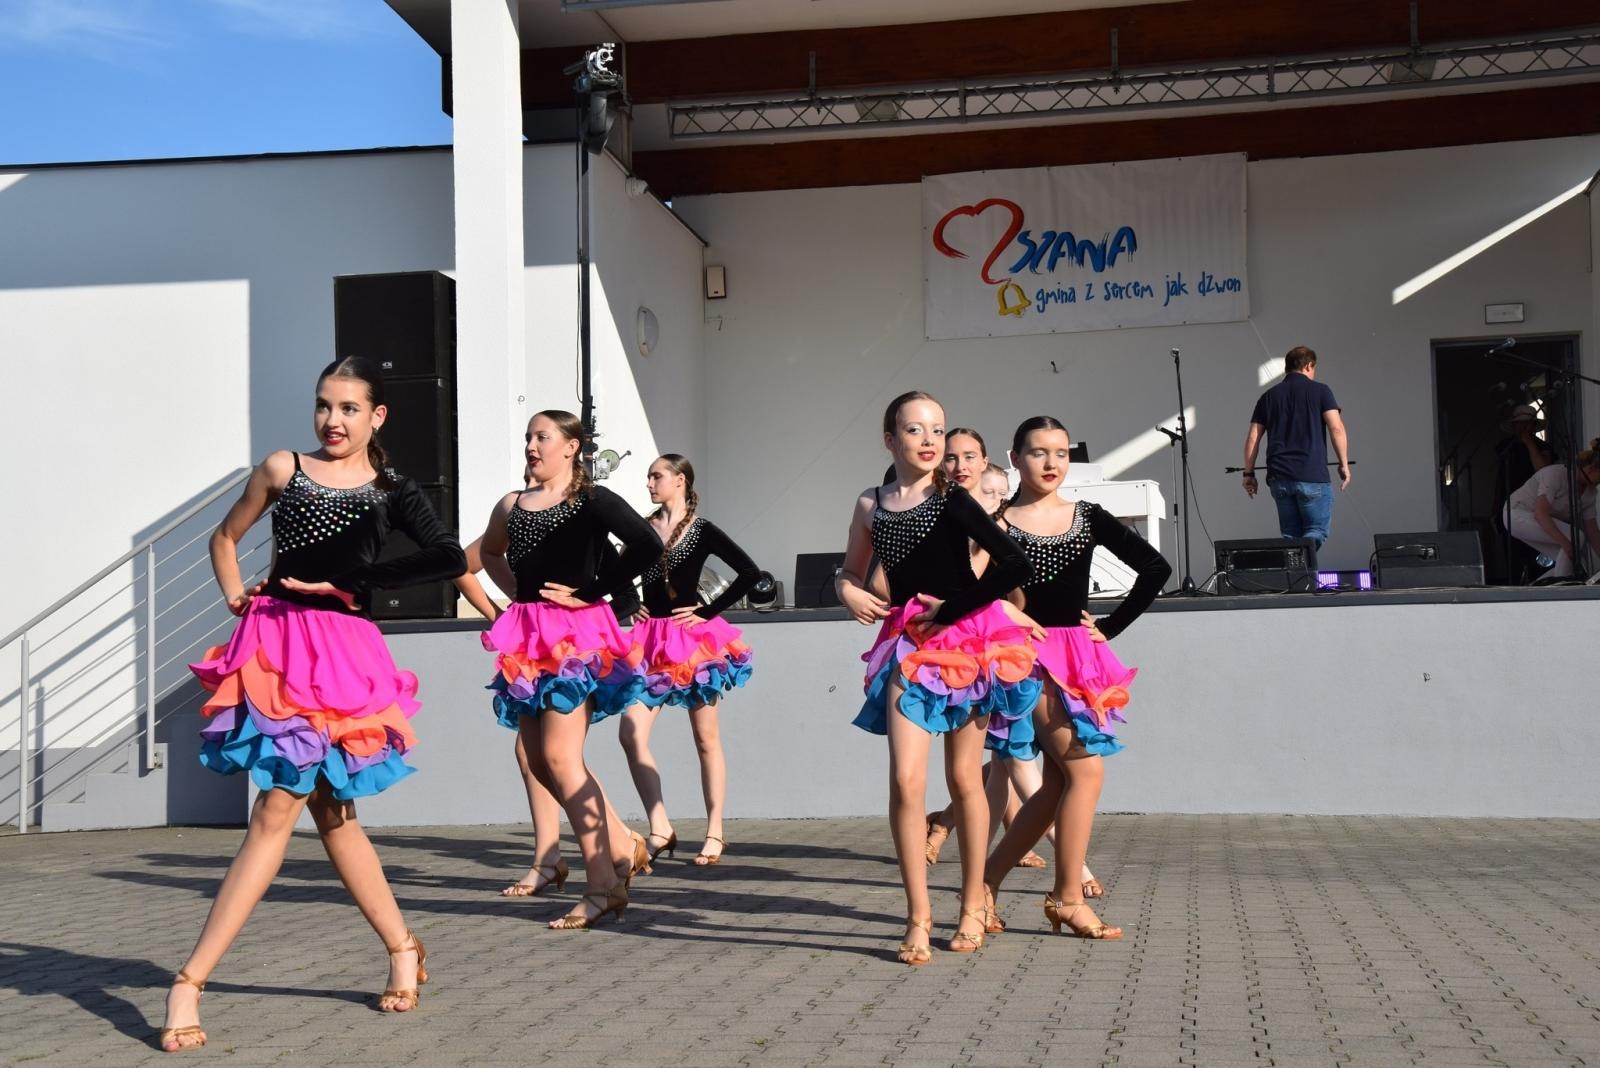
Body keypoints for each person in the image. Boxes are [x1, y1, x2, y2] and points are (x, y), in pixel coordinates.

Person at [159, 357, 467, 1052]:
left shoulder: (391, 487)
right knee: (297, 808)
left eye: (350, 408)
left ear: (376, 417)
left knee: (320, 811)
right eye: (325, 405)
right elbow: (225, 537)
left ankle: (393, 948)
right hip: (276, 645)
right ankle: (198, 979)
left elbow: (450, 556)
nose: (333, 420)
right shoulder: (281, 469)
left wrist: (362, 578)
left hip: (345, 651)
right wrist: (237, 594)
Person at [836, 392, 1037, 965]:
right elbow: (850, 571)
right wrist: (847, 589)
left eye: (937, 430)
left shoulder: (956, 502)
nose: (929, 441)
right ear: (889, 439)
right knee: (905, 780)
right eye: (915, 429)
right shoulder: (871, 504)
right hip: (905, 644)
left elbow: (1014, 566)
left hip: (969, 643)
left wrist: (951, 609)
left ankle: (973, 901)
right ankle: (918, 916)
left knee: (965, 780)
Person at [983, 416, 1170, 940]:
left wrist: (1109, 627)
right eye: (1039, 453)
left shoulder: (1087, 517)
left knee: (1061, 781)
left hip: (1078, 657)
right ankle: (1066, 898)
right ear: (1016, 457)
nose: (1051, 464)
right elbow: (973, 589)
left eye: (1061, 453)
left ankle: (986, 880)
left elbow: (1156, 569)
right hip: (1027, 656)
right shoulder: (996, 524)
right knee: (1085, 773)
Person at [477, 410, 661, 929]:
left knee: (560, 756)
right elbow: (490, 552)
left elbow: (647, 545)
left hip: (574, 637)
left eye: (544, 437)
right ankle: (623, 846)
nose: (532, 446)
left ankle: (602, 885)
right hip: (528, 636)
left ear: (572, 447)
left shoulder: (590, 500)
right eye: (529, 437)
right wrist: (516, 594)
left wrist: (593, 591)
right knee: (538, 759)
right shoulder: (512, 505)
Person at [619, 454, 761, 868]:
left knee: (705, 738)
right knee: (630, 732)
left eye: (656, 476)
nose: (649, 483)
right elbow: (614, 571)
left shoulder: (702, 531)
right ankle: (660, 824)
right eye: (648, 477)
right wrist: (629, 603)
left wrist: (708, 610)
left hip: (692, 641)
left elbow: (750, 572)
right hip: (648, 641)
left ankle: (715, 829)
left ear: (680, 481)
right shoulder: (641, 531)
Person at [1242, 346, 1350, 548]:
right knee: (1316, 532)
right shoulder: (1321, 391)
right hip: (1312, 475)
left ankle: (1300, 577)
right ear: (1309, 365)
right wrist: (1343, 463)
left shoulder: (1268, 397)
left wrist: (1248, 474)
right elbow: (1336, 428)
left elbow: (1253, 437)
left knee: (1290, 537)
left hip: (1280, 478)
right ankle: (1305, 571)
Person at [1503, 438, 1600, 580]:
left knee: (1572, 563)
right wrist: (1566, 543)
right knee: (1576, 537)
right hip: (1516, 513)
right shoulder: (1555, 474)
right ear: (1592, 468)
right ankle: (1562, 591)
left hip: (1538, 519)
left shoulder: (1590, 493)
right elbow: (1540, 513)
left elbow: (1593, 532)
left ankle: (1535, 590)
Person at [1490, 405, 1557, 583]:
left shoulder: (1543, 447)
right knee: (1513, 557)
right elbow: (1500, 479)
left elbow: (1544, 471)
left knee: (1538, 558)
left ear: (1533, 426)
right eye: (1519, 424)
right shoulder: (1505, 448)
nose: (1523, 427)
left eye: (1527, 424)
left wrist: (1529, 443)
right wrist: (1495, 507)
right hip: (1509, 509)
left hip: (1536, 509)